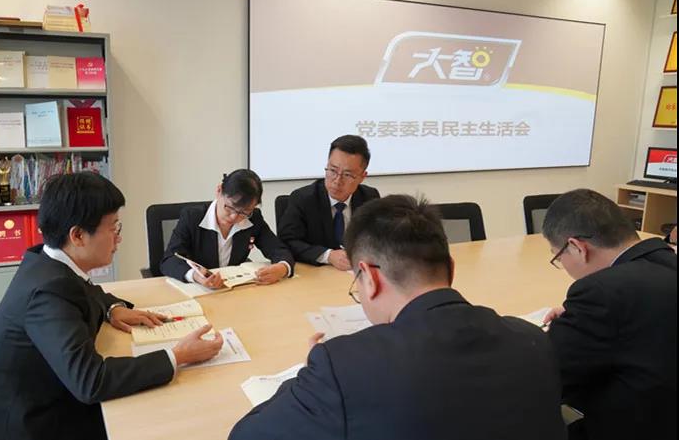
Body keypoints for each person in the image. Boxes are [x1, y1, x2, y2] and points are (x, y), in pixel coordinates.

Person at [230, 195, 566, 440]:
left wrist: (309, 377)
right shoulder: (533, 339)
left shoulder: (342, 366)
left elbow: (246, 435)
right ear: (451, 269)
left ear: (369, 278)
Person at [0, 173, 222, 440]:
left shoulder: (48, 262)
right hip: (31, 422)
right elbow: (91, 381)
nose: (118, 239)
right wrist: (177, 356)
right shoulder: (48, 292)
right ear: (78, 235)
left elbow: (85, 289)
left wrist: (113, 308)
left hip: (50, 393)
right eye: (113, 228)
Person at [541, 189, 677, 440]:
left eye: (558, 257)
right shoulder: (666, 260)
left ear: (577, 247)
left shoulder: (600, 292)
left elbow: (549, 378)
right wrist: (579, 320)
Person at [160, 169, 293, 287]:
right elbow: (170, 260)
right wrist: (195, 276)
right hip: (200, 290)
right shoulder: (192, 217)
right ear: (219, 191)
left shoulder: (253, 218)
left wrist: (282, 268)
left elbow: (278, 249)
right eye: (229, 207)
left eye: (244, 212)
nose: (234, 217)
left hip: (234, 289)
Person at [278, 135, 380, 271]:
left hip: (355, 274)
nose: (337, 181)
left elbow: (380, 239)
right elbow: (287, 242)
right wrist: (328, 256)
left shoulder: (369, 198)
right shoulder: (303, 198)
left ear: (362, 177)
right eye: (333, 170)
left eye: (347, 175)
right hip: (315, 275)